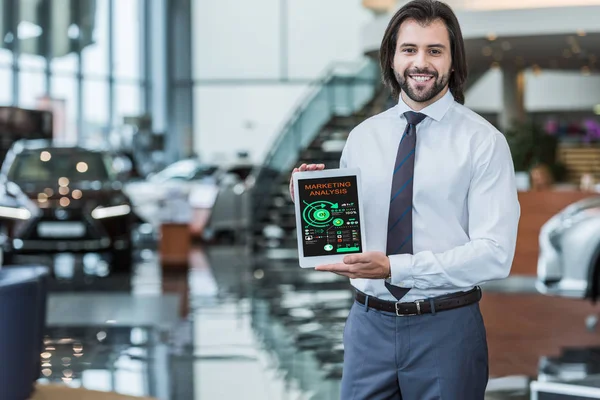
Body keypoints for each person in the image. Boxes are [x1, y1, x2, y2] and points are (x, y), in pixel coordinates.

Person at [288, 0, 520, 398]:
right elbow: (353, 231)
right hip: (368, 327)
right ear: (392, 58)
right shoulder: (363, 137)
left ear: (452, 59)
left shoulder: (483, 142)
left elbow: (495, 253)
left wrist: (396, 268)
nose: (421, 62)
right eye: (409, 49)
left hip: (445, 329)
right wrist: (311, 204)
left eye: (435, 50)